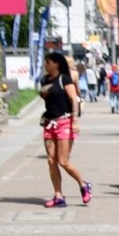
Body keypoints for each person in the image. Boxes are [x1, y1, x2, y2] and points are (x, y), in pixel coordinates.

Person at [38, 51, 90, 208]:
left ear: (56, 64)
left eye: (48, 62)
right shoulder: (45, 79)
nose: (46, 65)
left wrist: (74, 122)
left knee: (63, 161)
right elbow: (47, 96)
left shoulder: (64, 79)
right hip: (49, 123)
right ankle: (58, 195)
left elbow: (74, 100)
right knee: (51, 161)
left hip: (64, 122)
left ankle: (83, 184)